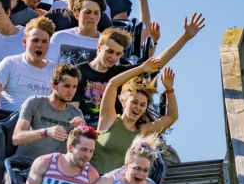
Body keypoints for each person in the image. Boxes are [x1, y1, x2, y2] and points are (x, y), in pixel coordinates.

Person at [74, 13, 204, 127]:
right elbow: (72, 109)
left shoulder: (121, 73)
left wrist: (186, 36)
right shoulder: (78, 71)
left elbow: (157, 63)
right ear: (99, 47)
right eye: (110, 52)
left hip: (111, 135)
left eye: (118, 54)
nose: (113, 57)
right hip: (84, 134)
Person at [89, 56, 177, 175]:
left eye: (142, 105)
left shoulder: (142, 131)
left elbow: (172, 117)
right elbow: (112, 84)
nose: (138, 107)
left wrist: (169, 89)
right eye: (134, 102)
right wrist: (141, 69)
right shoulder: (109, 119)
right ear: (124, 102)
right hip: (91, 182)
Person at [12, 63, 86, 160]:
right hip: (22, 164)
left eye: (74, 87)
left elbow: (80, 150)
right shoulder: (34, 103)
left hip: (53, 170)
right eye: (67, 86)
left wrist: (82, 130)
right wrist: (46, 132)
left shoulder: (76, 114)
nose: (71, 91)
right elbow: (16, 138)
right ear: (54, 85)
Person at [0, 16, 55, 115]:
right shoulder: (10, 63)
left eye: (44, 41)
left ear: (48, 46)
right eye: (35, 40)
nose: (39, 45)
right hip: (9, 122)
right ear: (25, 42)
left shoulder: (54, 71)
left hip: (39, 127)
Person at [45, 0, 105, 65]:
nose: (92, 16)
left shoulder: (107, 44)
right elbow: (47, 70)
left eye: (96, 13)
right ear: (76, 14)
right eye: (87, 12)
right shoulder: (59, 37)